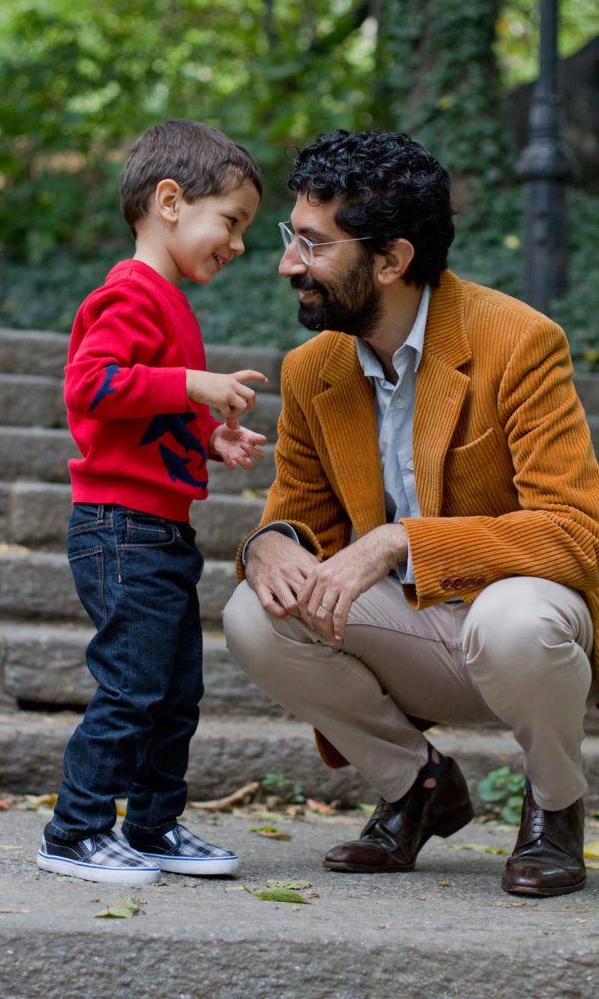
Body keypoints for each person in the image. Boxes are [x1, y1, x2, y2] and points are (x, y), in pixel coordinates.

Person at [223, 128, 599, 897]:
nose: (288, 262)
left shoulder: (519, 342)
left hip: (527, 635)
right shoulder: (311, 370)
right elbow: (297, 519)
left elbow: (576, 534)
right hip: (413, 637)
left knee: (512, 618)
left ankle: (555, 806)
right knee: (253, 616)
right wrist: (269, 546)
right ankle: (417, 788)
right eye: (292, 236)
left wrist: (399, 541)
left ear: (391, 260)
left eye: (312, 244)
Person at [37, 119, 267, 885]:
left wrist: (209, 437)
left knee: (174, 692)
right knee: (132, 685)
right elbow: (90, 385)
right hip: (119, 527)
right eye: (230, 221)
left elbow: (148, 413)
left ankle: (153, 826)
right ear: (170, 202)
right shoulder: (130, 293)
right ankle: (74, 831)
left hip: (160, 529)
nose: (238, 243)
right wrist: (192, 383)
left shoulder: (168, 302)